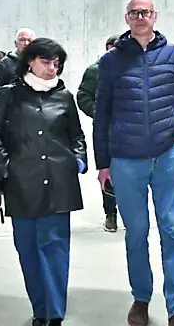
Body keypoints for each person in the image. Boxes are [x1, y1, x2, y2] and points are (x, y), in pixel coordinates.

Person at [93, 0, 174, 326]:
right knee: (136, 232)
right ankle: (140, 299)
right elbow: (102, 114)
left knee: (172, 230)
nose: (140, 17)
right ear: (126, 18)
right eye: (134, 13)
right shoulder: (111, 61)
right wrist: (103, 163)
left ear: (155, 16)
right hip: (126, 159)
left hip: (168, 153)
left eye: (146, 12)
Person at [0, 38, 87, 326]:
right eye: (46, 62)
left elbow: (76, 135)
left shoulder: (65, 97)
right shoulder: (8, 95)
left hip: (59, 184)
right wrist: (6, 170)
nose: (52, 68)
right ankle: (40, 310)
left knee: (55, 250)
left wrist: (78, 159)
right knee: (28, 250)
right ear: (30, 61)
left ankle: (54, 315)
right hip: (21, 184)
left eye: (56, 64)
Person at [77, 34, 119, 232]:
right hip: (104, 129)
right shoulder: (95, 70)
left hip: (129, 128)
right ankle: (110, 213)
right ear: (108, 48)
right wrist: (97, 111)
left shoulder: (129, 67)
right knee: (107, 171)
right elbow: (82, 95)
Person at [0, 28, 36, 96]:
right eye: (22, 40)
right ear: (15, 43)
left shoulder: (40, 63)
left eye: (30, 40)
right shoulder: (5, 63)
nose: (26, 43)